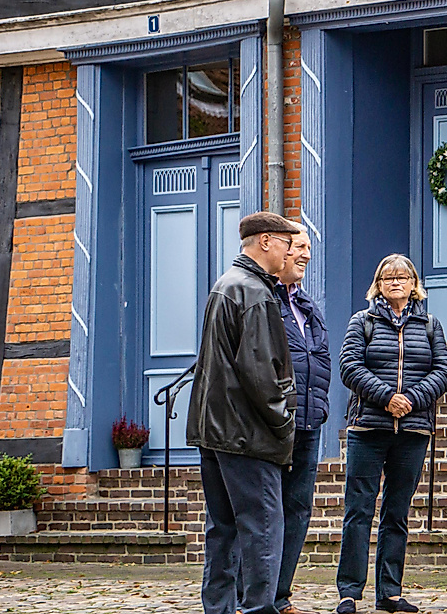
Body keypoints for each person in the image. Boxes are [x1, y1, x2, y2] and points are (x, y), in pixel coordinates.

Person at [186, 211, 300, 614]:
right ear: (266, 241)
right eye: (287, 243)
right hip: (246, 434)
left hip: (215, 430)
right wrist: (285, 423)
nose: (290, 253)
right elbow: (261, 373)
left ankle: (217, 609)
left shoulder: (227, 285)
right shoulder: (253, 291)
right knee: (263, 529)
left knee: (223, 529)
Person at [336, 254, 447, 614]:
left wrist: (412, 400)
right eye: (388, 277)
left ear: (415, 284)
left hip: (413, 430)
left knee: (397, 512)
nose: (396, 282)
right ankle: (349, 592)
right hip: (369, 427)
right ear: (378, 284)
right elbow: (349, 366)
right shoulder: (363, 322)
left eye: (403, 276)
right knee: (358, 510)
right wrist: (387, 398)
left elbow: (444, 370)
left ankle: (389, 591)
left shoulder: (430, 324)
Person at [271, 228, 331, 614]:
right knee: (266, 511)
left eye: (310, 247)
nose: (307, 254)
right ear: (279, 249)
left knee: (297, 510)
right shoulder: (263, 300)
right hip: (274, 423)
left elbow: (321, 360)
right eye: (300, 247)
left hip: (308, 422)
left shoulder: (307, 306)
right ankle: (252, 595)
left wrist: (320, 407)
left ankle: (280, 594)